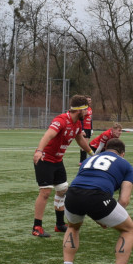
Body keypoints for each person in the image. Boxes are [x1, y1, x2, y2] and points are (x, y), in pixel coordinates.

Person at [60, 139, 133, 264]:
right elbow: (124, 200)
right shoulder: (125, 164)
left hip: (72, 194)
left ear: (105, 150)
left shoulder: (90, 159)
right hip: (97, 196)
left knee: (73, 227)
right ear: (122, 154)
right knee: (128, 229)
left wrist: (100, 216)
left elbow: (83, 184)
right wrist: (107, 217)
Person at [32, 95, 94, 237]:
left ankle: (59, 224)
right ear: (80, 110)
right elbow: (47, 135)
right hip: (45, 159)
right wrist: (39, 151)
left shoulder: (77, 123)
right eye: (86, 110)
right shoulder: (61, 120)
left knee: (62, 190)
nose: (88, 113)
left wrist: (92, 153)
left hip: (58, 161)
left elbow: (80, 139)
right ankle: (37, 227)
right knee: (45, 192)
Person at [79, 97, 94, 163]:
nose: (89, 101)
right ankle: (82, 160)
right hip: (84, 128)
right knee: (84, 145)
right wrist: (82, 129)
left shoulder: (90, 109)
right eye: (88, 100)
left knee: (86, 144)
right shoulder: (83, 109)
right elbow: (81, 119)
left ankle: (84, 160)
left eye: (90, 100)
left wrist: (91, 129)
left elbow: (90, 119)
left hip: (88, 128)